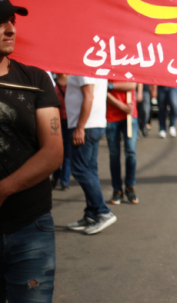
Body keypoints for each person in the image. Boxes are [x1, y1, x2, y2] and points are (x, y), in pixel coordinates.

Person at [0, 0, 63, 302]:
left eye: (12, 20)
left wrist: (0, 191)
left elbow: (53, 152)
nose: (11, 29)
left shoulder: (36, 80)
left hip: (30, 227)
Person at [64, 74, 116, 234]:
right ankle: (91, 214)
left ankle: (103, 212)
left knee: (81, 170)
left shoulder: (83, 67)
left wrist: (80, 127)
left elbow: (89, 96)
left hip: (86, 126)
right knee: (89, 170)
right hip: (93, 124)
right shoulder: (94, 65)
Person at [104, 82, 138, 205]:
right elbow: (103, 90)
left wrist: (111, 86)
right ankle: (117, 190)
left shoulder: (129, 65)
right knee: (114, 155)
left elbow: (132, 85)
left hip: (130, 114)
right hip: (111, 116)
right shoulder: (106, 69)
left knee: (131, 152)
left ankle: (130, 187)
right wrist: (121, 106)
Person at [50, 73, 72, 191]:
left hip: (69, 121)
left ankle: (64, 180)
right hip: (55, 121)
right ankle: (56, 177)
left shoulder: (72, 83)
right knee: (56, 151)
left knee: (67, 152)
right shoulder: (52, 81)